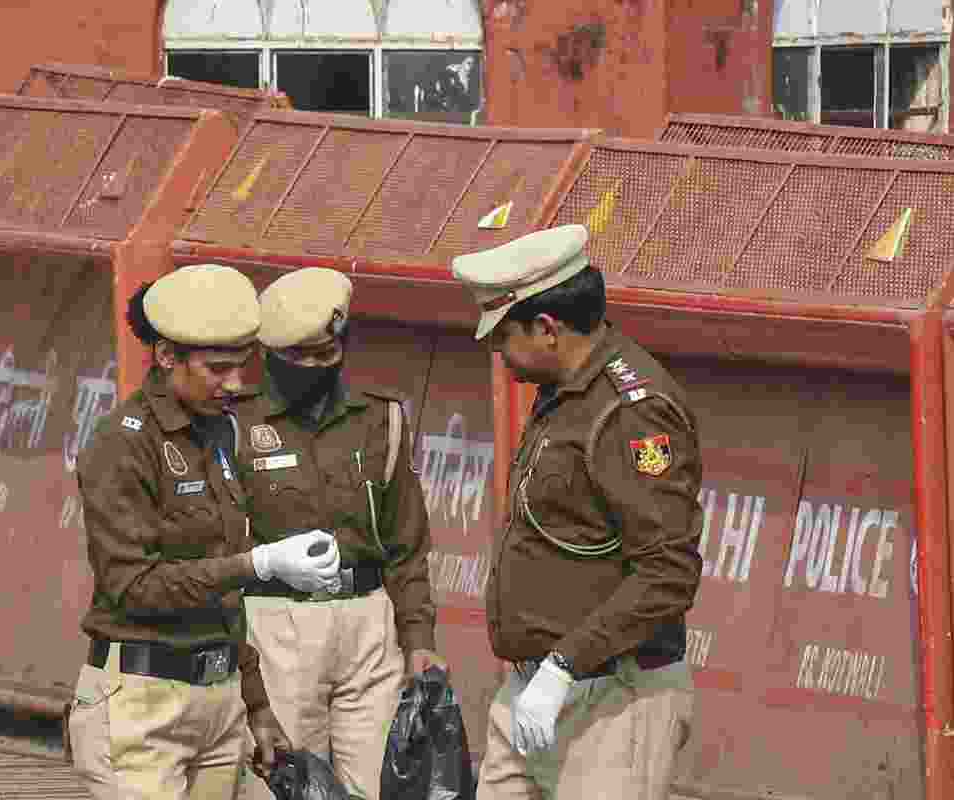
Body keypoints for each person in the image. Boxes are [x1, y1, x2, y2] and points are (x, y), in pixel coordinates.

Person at [69, 263, 342, 800]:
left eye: (242, 366)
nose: (234, 384)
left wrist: (257, 704)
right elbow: (133, 586)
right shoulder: (123, 444)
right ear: (166, 356)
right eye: (218, 369)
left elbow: (225, 599)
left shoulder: (220, 431)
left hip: (220, 702)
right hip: (143, 705)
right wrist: (258, 564)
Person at [449, 224, 703, 799]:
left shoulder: (632, 412)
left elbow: (668, 573)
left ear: (547, 329)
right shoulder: (564, 387)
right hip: (536, 691)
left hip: (611, 701)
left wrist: (563, 666)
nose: (497, 353)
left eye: (502, 337)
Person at [232, 267, 439, 800]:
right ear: (270, 354)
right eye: (299, 357)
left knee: (379, 786)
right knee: (284, 784)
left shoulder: (381, 419)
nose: (315, 368)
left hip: (369, 622)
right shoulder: (236, 424)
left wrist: (418, 640)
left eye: (327, 354)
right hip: (277, 623)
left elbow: (407, 544)